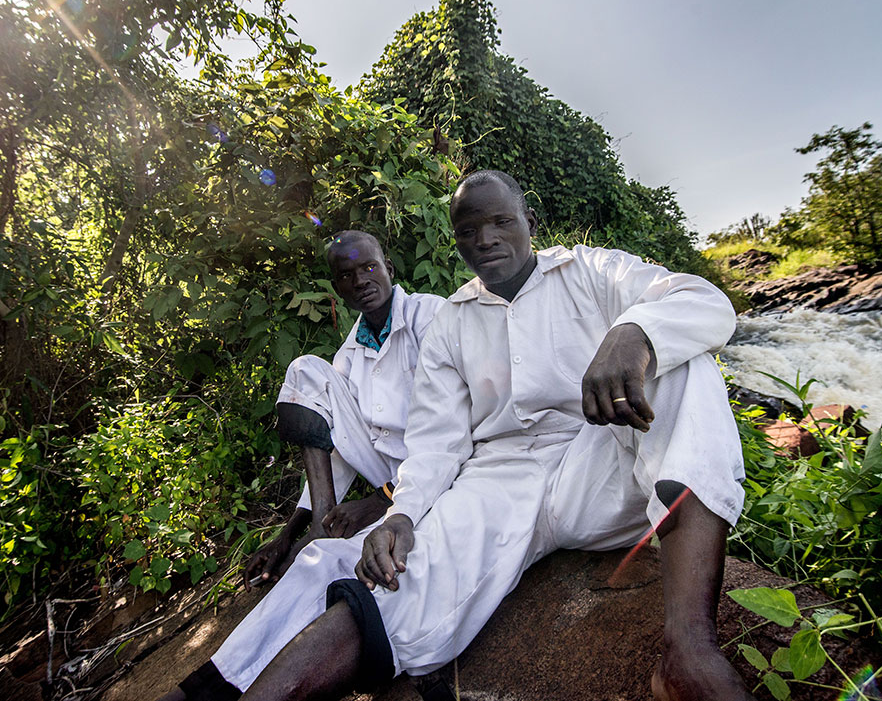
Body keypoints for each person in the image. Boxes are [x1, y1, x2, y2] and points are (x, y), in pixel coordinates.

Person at [239, 170, 756, 701]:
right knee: (400, 578)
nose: (485, 240)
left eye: (501, 222)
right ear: (456, 240)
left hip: (603, 467)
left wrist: (634, 333)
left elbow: (705, 301)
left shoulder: (593, 270)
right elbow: (436, 442)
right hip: (500, 484)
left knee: (683, 365)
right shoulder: (452, 322)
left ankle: (689, 648)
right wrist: (402, 515)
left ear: (529, 221)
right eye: (468, 230)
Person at [159, 230, 445, 701]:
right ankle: (208, 686)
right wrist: (289, 530)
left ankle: (216, 685)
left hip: (437, 470)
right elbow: (341, 448)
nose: (361, 281)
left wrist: (381, 501)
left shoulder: (430, 316)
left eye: (369, 267)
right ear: (337, 288)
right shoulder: (350, 352)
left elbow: (457, 425)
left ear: (389, 266)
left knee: (318, 567)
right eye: (347, 275)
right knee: (305, 371)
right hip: (388, 472)